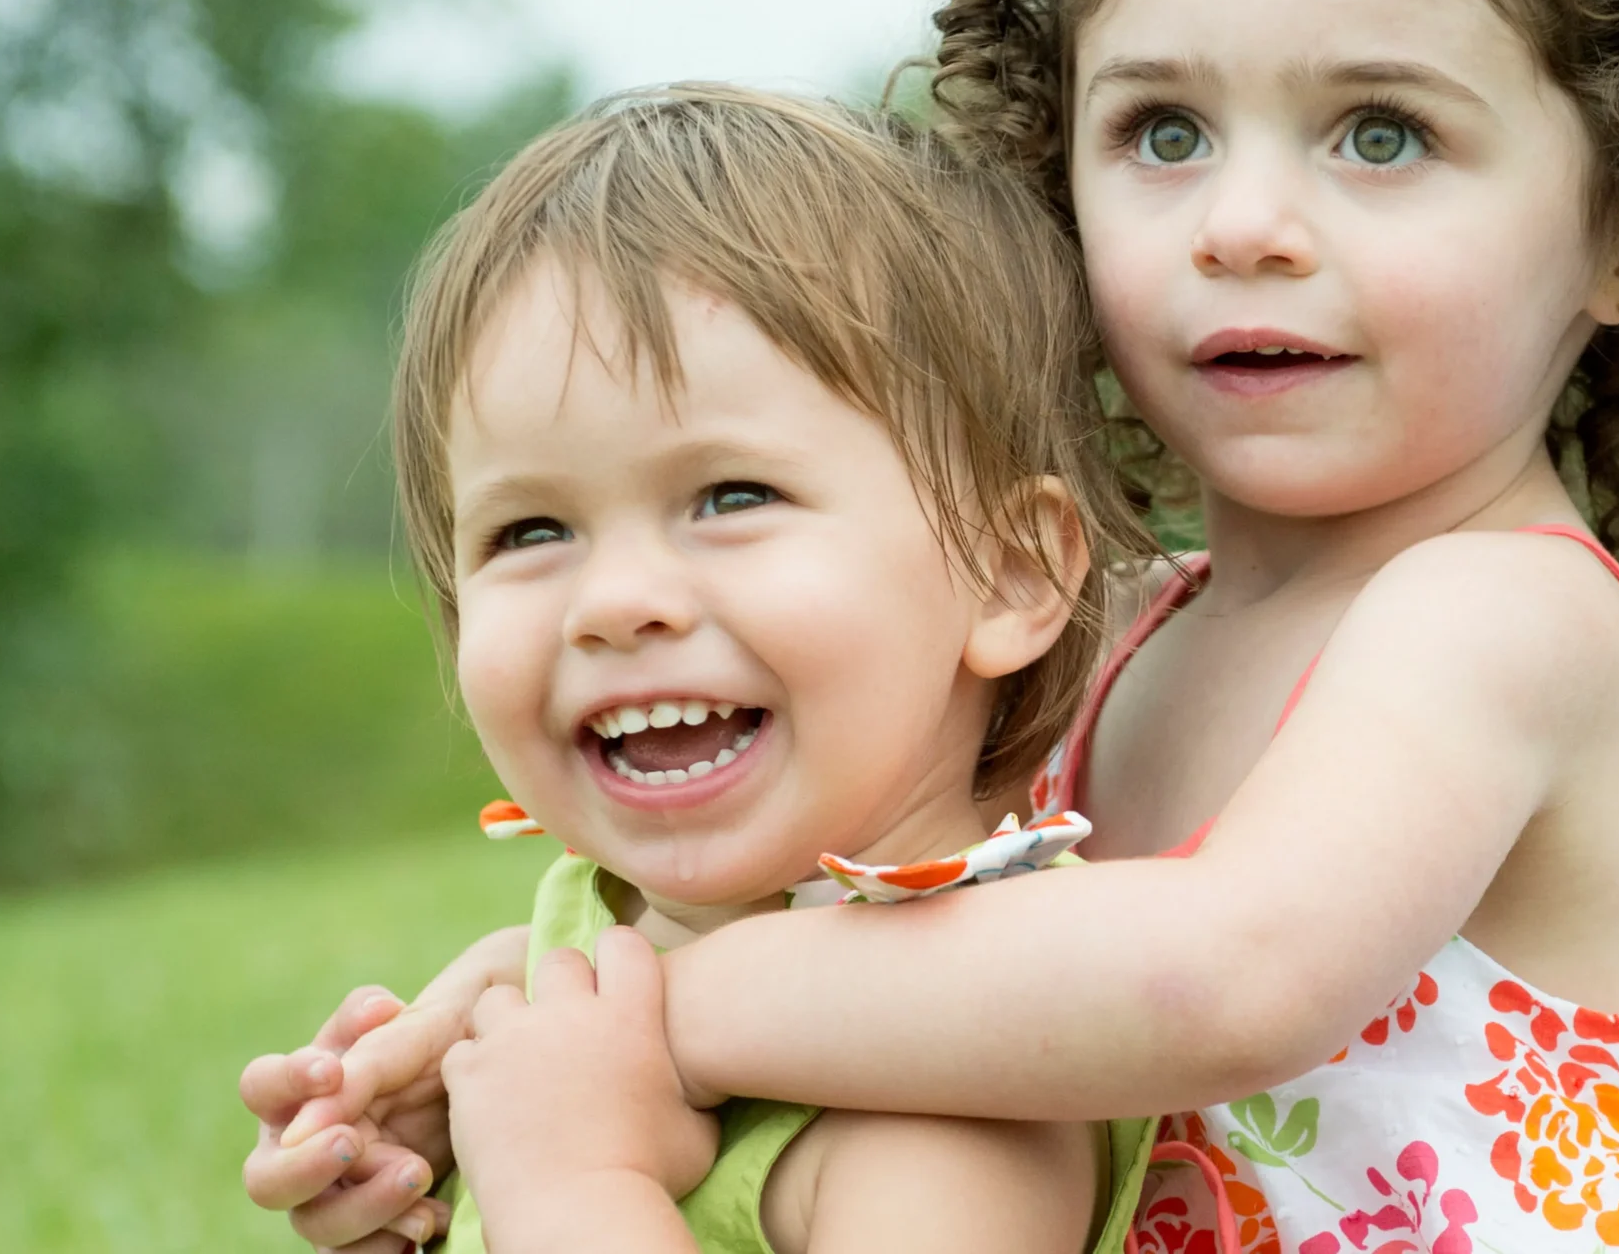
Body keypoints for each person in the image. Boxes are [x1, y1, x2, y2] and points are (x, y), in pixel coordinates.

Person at [249, 0, 1619, 1252]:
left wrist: (643, 1026)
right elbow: (901, 943)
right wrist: (490, 1040)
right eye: (1162, 132)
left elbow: (1227, 974)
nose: (1245, 223)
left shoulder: (1503, 619)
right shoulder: (1119, 634)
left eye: (1379, 134)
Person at [247, 85, 1156, 1253]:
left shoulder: (959, 1105)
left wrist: (568, 1181)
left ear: (1007, 575)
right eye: (527, 531)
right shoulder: (598, 938)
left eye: (731, 497)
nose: (616, 603)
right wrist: (445, 1166)